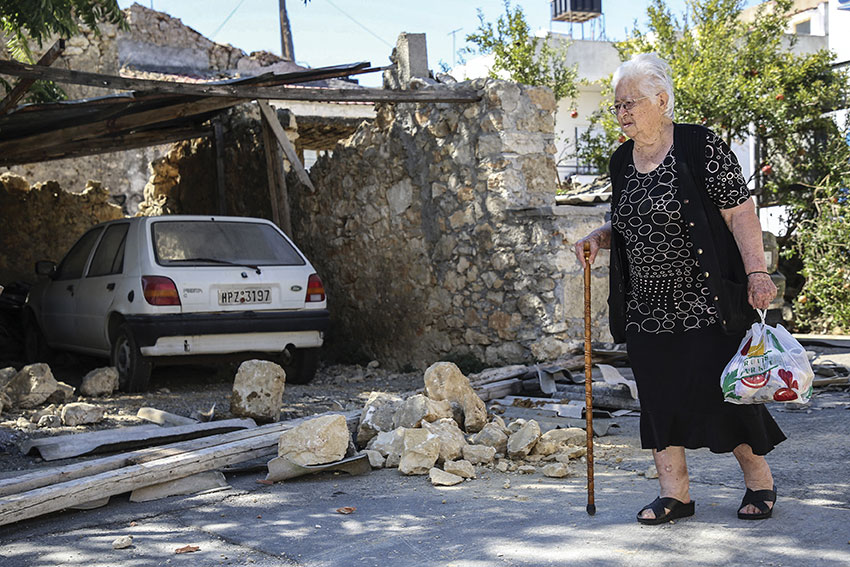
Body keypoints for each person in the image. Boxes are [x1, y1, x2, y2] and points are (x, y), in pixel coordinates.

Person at [574, 53, 786, 525]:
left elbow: (740, 212)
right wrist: (598, 239)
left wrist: (756, 273)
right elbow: (628, 225)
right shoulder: (620, 161)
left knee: (727, 394)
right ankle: (676, 495)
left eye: (630, 102)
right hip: (647, 306)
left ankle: (759, 482)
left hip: (705, 302)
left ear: (662, 100)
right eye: (616, 105)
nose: (622, 112)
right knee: (659, 398)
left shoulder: (698, 144)